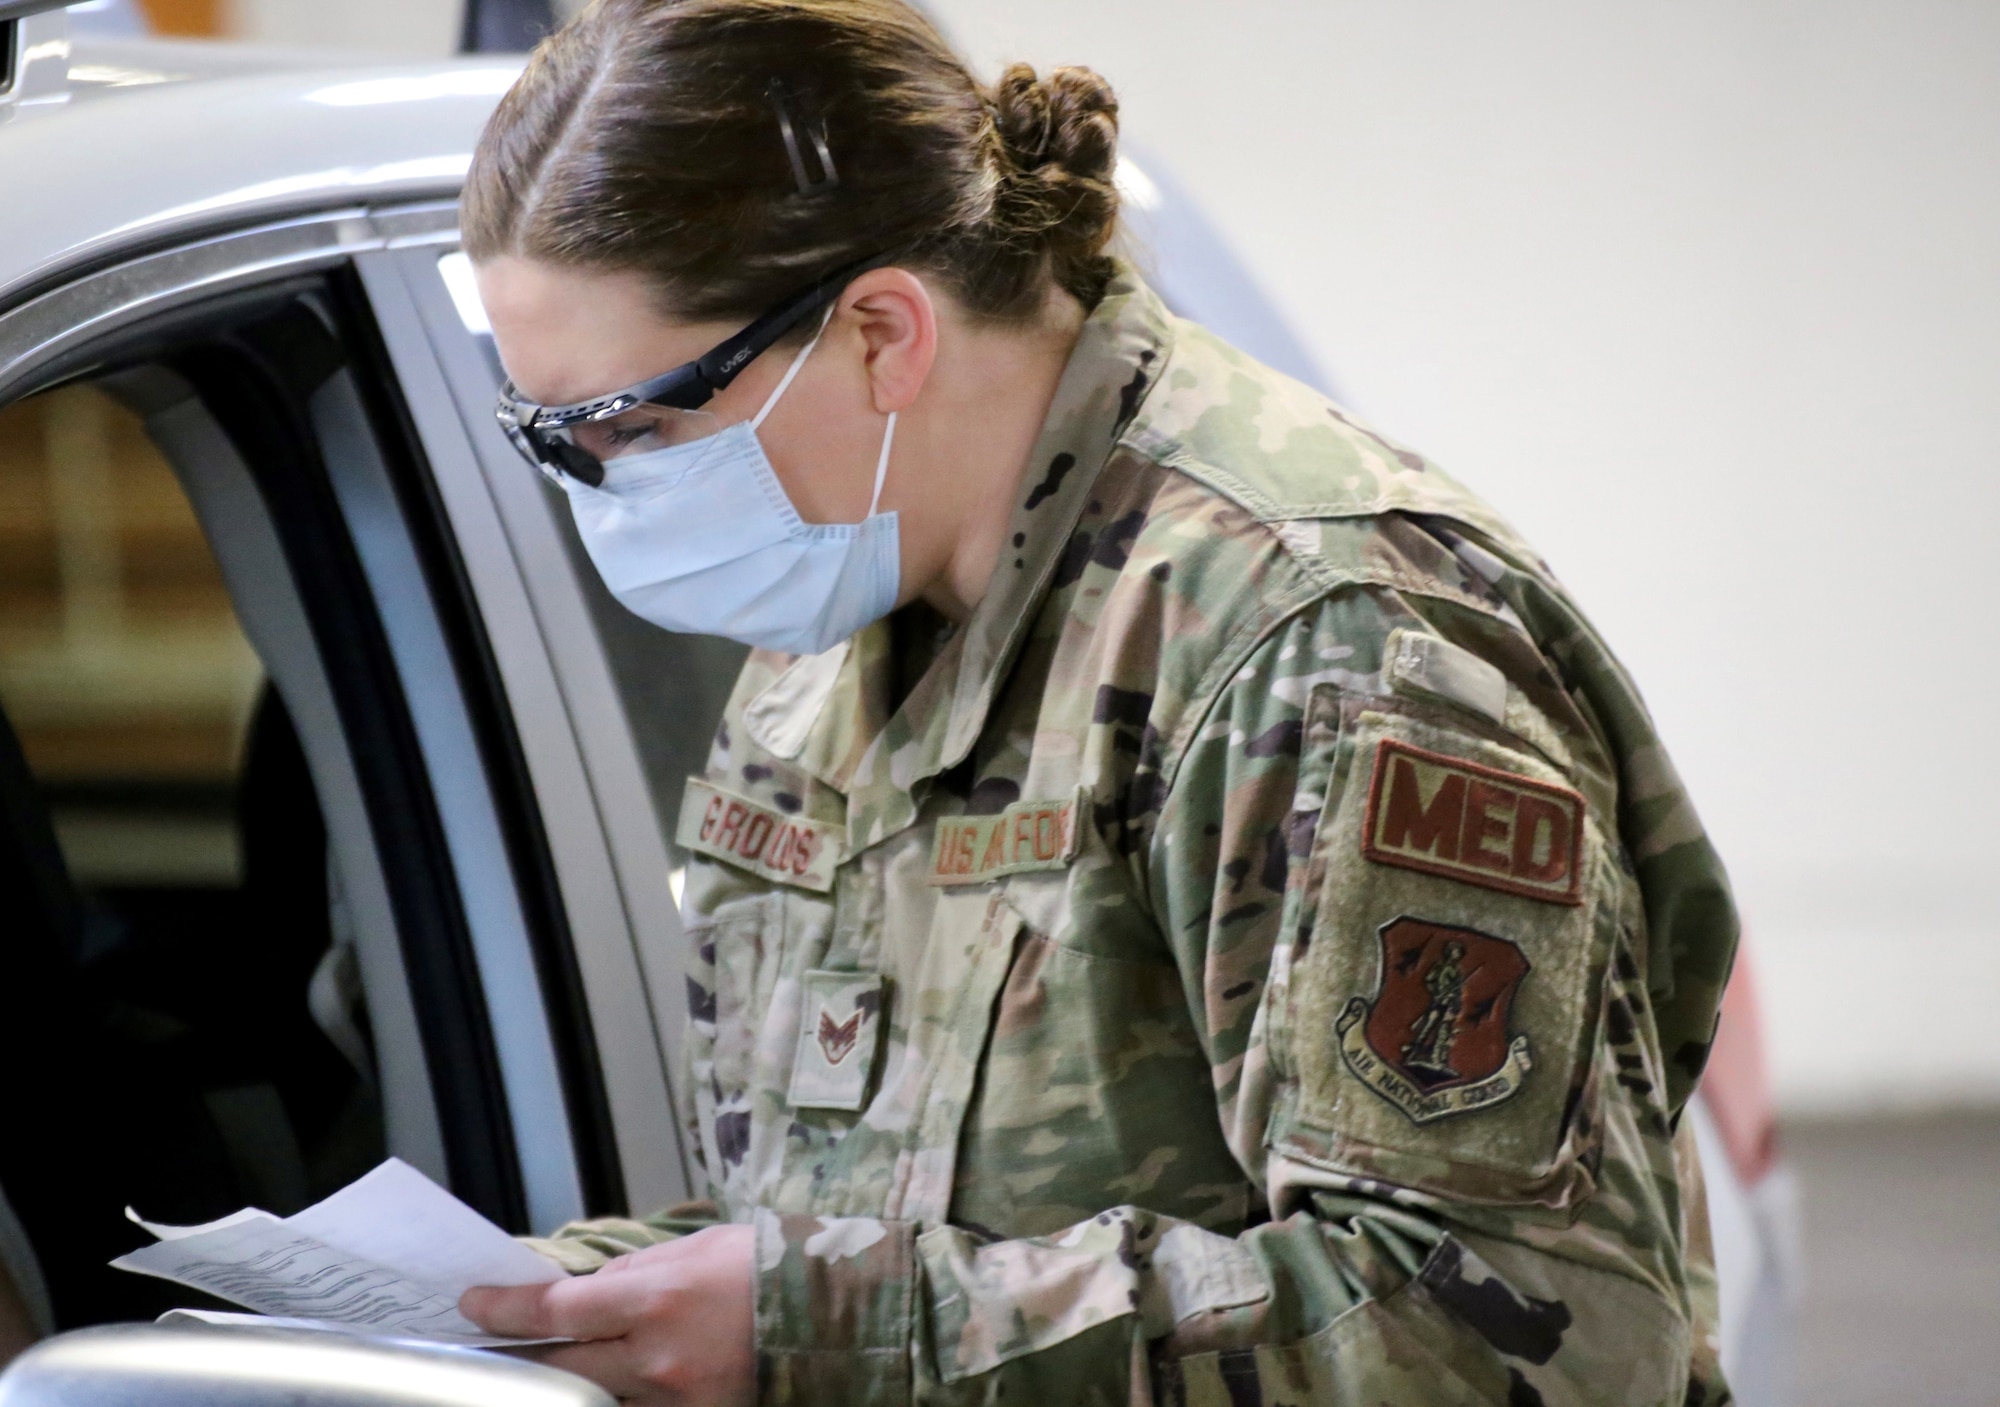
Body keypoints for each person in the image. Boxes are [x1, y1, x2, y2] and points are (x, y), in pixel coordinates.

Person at [456, 1, 1741, 1402]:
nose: (608, 490)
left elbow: (1514, 1331)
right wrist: (596, 1303)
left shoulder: (1325, 640)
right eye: (555, 442)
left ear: (885, 335)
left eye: (637, 427)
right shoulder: (848, 599)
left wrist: (833, 1340)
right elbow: (894, 1216)